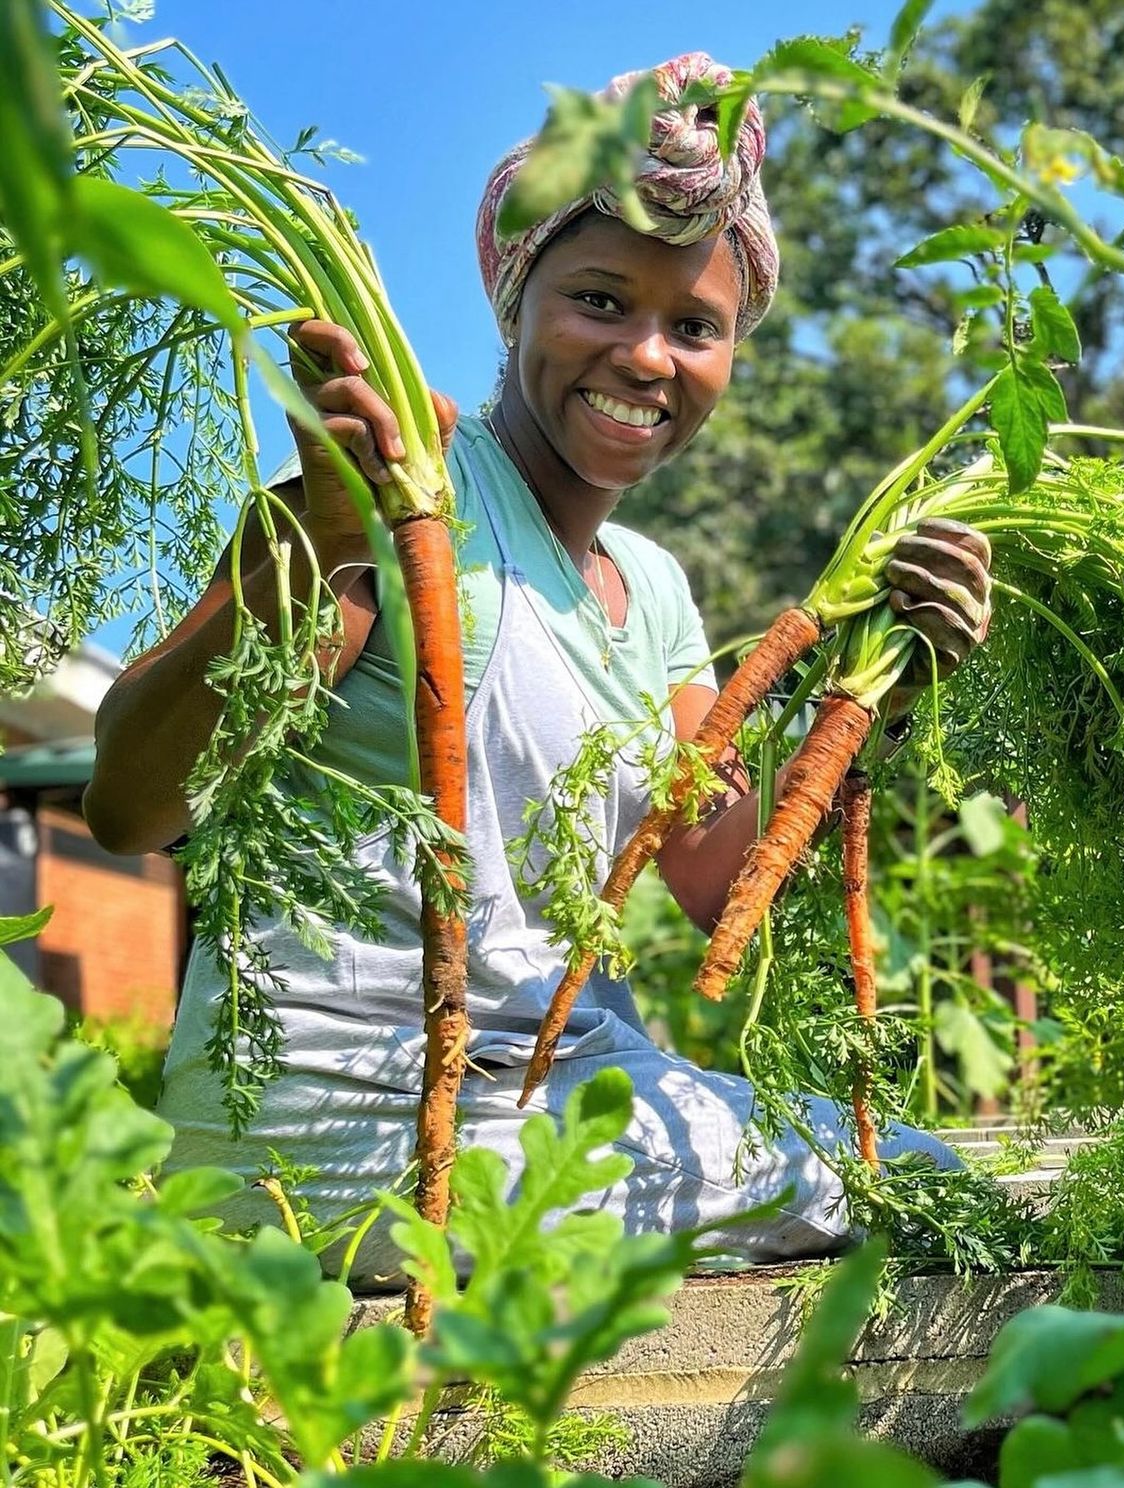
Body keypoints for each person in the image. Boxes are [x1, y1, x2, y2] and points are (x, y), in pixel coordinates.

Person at [84, 53, 992, 1285]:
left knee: (918, 1172)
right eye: (603, 301)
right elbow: (133, 806)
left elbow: (717, 884)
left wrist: (874, 700)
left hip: (544, 1100)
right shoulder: (405, 483)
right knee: (902, 1185)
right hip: (336, 1122)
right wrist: (319, 551)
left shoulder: (655, 588)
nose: (649, 357)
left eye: (696, 326)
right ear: (515, 298)